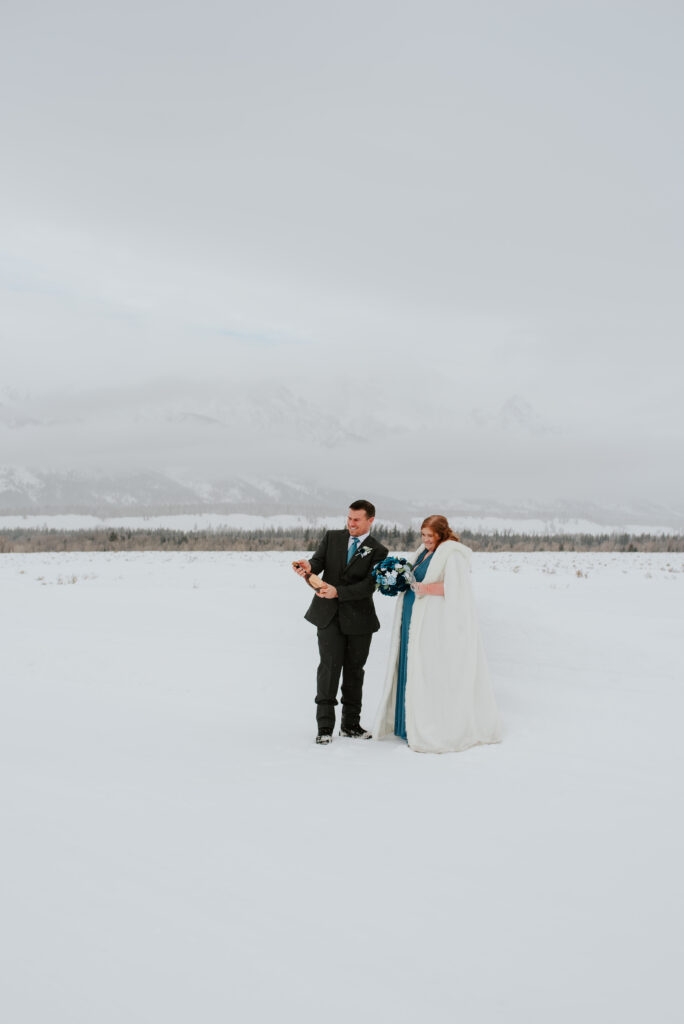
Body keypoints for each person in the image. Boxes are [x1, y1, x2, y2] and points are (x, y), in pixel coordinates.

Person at [373, 515, 501, 753]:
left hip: (432, 624)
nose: (425, 539)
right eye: (423, 535)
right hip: (412, 618)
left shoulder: (452, 555)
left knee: (427, 671)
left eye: (430, 536)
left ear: (441, 534)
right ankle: (405, 725)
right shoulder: (423, 552)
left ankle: (430, 725)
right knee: (409, 667)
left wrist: (425, 589)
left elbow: (455, 587)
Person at [293, 500, 389, 744]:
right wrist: (308, 566)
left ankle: (350, 725)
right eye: (349, 518)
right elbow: (318, 562)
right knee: (328, 668)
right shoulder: (332, 537)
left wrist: (340, 592)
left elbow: (370, 585)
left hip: (360, 620)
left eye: (357, 519)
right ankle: (324, 727)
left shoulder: (378, 550)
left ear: (370, 520)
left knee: (355, 672)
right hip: (328, 616)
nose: (351, 523)